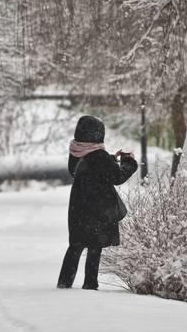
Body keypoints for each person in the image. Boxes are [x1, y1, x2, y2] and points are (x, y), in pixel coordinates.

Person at [57, 115, 137, 290]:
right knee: (95, 247)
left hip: (78, 209)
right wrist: (128, 161)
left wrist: (110, 159)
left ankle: (64, 283)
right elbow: (117, 176)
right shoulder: (99, 156)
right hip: (98, 210)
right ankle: (90, 284)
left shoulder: (76, 151)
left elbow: (90, 168)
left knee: (75, 247)